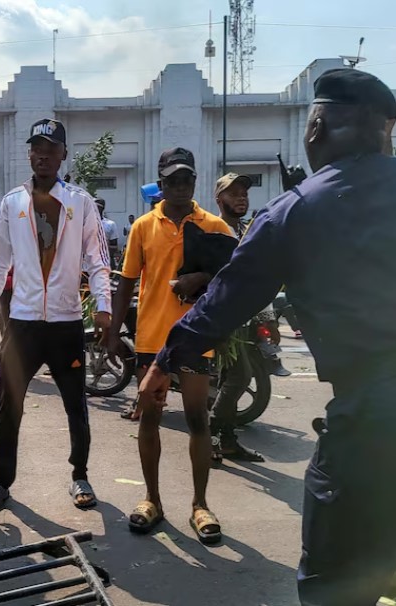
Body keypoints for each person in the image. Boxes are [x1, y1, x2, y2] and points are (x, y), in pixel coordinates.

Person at [138, 69, 396, 604]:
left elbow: (223, 302)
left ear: (317, 126)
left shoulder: (295, 211)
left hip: (376, 419)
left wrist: (162, 365)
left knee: (337, 587)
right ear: (385, 131)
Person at [0, 119, 113, 513]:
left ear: (64, 155)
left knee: (75, 403)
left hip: (67, 322)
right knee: (10, 404)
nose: (43, 155)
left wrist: (103, 307)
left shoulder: (80, 202)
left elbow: (98, 260)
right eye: (37, 148)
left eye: (52, 149)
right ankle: (0, 480)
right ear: (29, 153)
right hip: (22, 323)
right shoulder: (12, 202)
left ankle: (80, 475)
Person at [107, 147, 233, 544]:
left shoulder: (215, 226)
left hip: (197, 337)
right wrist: (112, 332)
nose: (180, 186)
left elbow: (236, 278)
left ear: (195, 182)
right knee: (150, 418)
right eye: (172, 180)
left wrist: (202, 278)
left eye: (187, 179)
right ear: (160, 184)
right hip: (151, 340)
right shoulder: (143, 226)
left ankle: (200, 504)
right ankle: (152, 500)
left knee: (198, 420)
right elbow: (127, 281)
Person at [209, 172, 277, 460]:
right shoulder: (214, 231)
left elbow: (256, 277)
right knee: (241, 376)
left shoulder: (245, 231)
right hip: (223, 318)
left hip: (243, 318)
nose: (241, 198)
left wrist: (266, 317)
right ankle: (211, 432)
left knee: (229, 378)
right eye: (234, 193)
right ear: (219, 199)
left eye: (244, 193)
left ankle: (225, 438)